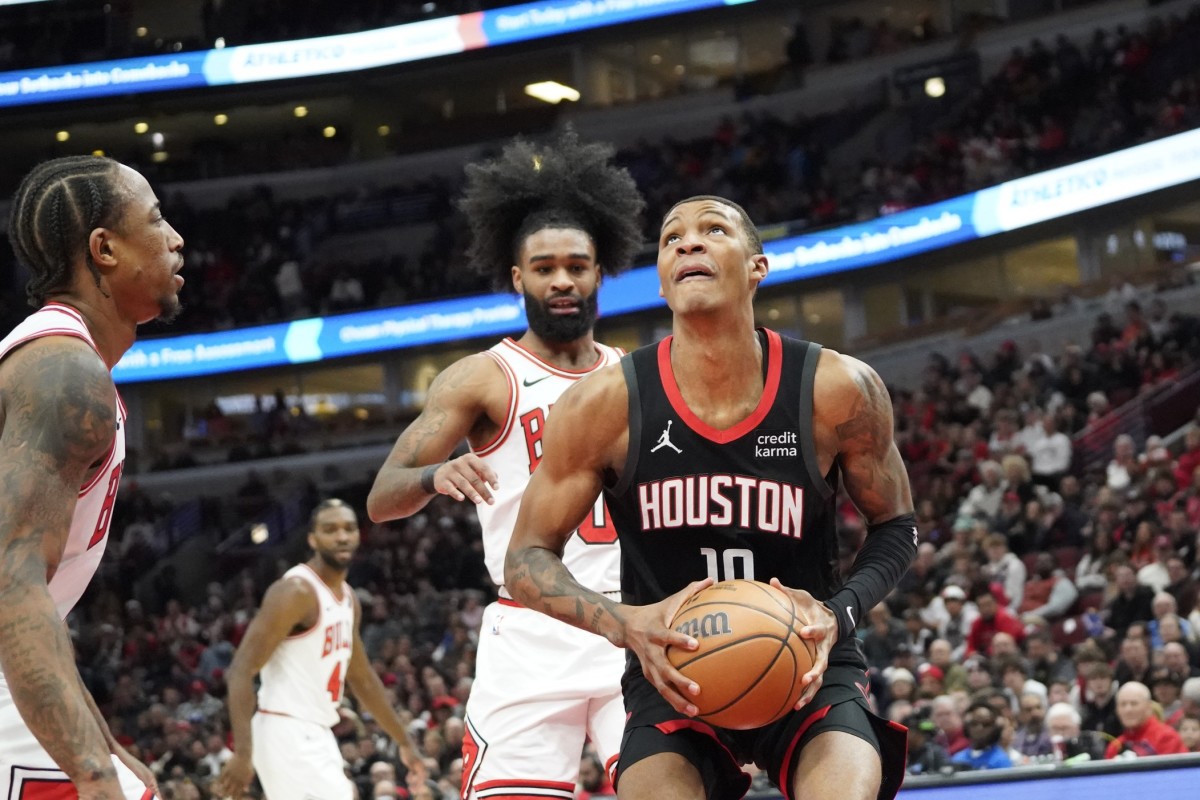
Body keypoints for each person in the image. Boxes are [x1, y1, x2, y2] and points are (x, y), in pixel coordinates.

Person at [504, 195, 914, 800]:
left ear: (757, 267)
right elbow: (525, 559)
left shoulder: (836, 387)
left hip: (806, 664)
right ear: (663, 283)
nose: (687, 244)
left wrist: (839, 612)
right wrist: (626, 624)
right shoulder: (604, 404)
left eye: (712, 230)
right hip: (671, 672)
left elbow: (896, 527)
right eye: (671, 239)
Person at [366, 130, 646, 799]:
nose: (562, 280)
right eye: (544, 267)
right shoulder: (483, 379)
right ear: (517, 277)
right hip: (532, 628)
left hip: (630, 625)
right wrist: (435, 476)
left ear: (599, 271)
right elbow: (382, 497)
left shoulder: (640, 380)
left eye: (576, 266)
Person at [0, 155, 186, 799]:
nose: (176, 238)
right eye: (157, 219)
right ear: (103, 248)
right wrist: (91, 771)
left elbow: (36, 604)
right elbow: (13, 583)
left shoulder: (69, 362)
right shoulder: (64, 373)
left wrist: (106, 745)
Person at [213, 499, 424, 799]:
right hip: (287, 730)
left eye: (349, 528)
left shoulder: (348, 598)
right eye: (330, 529)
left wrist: (404, 741)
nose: (341, 536)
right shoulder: (296, 591)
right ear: (312, 539)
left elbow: (362, 677)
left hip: (318, 732)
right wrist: (243, 754)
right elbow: (240, 670)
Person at [1104, 681, 1187, 758]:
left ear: (1148, 707)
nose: (1128, 710)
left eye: (1134, 703)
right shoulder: (1115, 747)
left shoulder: (1167, 738)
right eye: (1123, 704)